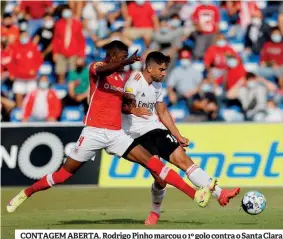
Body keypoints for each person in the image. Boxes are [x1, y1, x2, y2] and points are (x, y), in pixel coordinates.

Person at [7, 41, 215, 214]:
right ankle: (26, 193)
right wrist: (125, 62)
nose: (124, 63)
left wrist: (132, 109)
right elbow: (105, 68)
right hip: (94, 132)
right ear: (112, 56)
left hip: (116, 134)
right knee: (63, 175)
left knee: (154, 163)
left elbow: (123, 103)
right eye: (121, 57)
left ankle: (195, 195)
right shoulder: (97, 68)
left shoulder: (120, 79)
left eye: (125, 58)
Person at [122, 52, 240, 225]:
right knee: (160, 179)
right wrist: (133, 109)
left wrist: (177, 135)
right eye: (161, 70)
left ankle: (220, 193)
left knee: (185, 161)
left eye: (165, 70)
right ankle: (155, 212)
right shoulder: (134, 82)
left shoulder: (156, 85)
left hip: (156, 129)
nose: (164, 73)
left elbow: (162, 112)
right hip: (138, 136)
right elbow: (124, 103)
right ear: (149, 68)